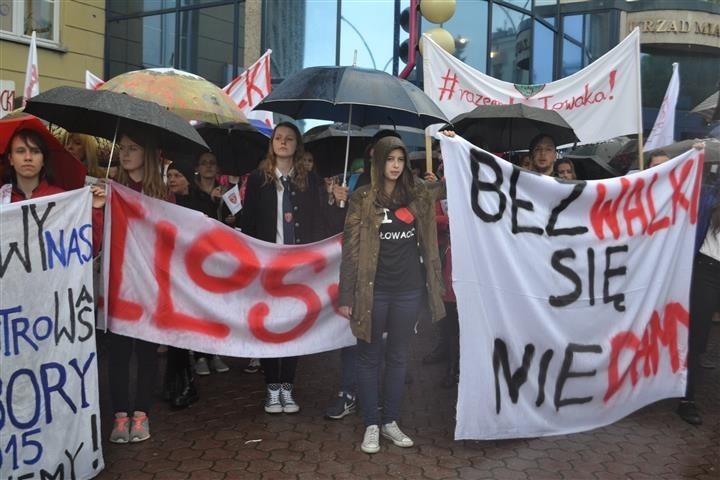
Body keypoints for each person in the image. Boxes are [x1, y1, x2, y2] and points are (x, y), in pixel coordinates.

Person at [338, 136, 446, 453]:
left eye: (400, 160)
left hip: (409, 291)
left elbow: (450, 186)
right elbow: (350, 251)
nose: (396, 166)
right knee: (369, 357)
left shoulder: (418, 195)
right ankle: (372, 422)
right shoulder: (362, 199)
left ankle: (391, 422)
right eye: (390, 159)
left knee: (399, 357)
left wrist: (449, 149)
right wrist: (347, 296)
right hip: (373, 291)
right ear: (379, 161)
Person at [238, 121, 344, 414]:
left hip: (299, 264)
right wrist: (249, 259)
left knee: (295, 323)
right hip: (268, 262)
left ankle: (287, 386)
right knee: (272, 324)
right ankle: (272, 387)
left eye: (289, 139)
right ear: (272, 144)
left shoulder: (308, 179)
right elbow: (248, 223)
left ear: (297, 146)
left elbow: (322, 221)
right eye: (278, 138)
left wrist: (337, 203)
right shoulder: (259, 179)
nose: (283, 142)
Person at [106, 127, 173, 444]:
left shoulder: (163, 194)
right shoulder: (109, 188)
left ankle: (142, 413)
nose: (125, 153)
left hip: (150, 286)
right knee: (118, 353)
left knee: (147, 353)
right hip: (118, 284)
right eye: (122, 148)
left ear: (146, 154)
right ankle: (120, 415)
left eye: (132, 147)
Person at [676, 143, 720, 426]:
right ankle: (686, 399)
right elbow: (682, 192)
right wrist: (691, 157)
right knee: (696, 337)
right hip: (706, 271)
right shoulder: (710, 195)